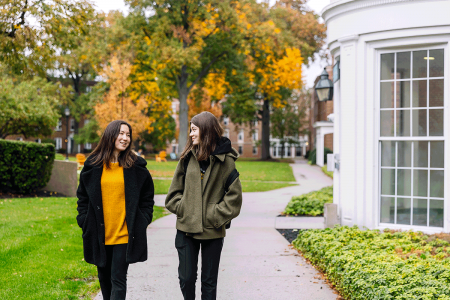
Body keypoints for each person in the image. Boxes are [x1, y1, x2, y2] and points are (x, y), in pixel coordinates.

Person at [165, 111, 243, 300]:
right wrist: (186, 209)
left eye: (194, 130)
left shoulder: (227, 161)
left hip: (213, 231)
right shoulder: (186, 158)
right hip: (186, 229)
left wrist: (213, 215)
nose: (191, 134)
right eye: (190, 130)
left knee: (209, 282)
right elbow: (172, 195)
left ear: (206, 131)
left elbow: (235, 197)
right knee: (186, 278)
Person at [76, 120, 154, 300]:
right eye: (121, 133)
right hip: (99, 233)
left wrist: (143, 219)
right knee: (104, 279)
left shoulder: (136, 167)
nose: (125, 138)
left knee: (118, 279)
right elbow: (83, 197)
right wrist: (84, 220)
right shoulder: (93, 166)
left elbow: (146, 198)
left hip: (124, 233)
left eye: (128, 135)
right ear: (110, 135)